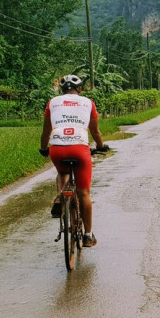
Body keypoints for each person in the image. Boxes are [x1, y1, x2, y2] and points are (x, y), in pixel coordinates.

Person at [39, 75, 107, 247]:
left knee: (62, 172)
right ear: (80, 89)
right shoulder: (88, 103)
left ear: (62, 90)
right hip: (80, 148)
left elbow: (46, 131)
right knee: (84, 193)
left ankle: (60, 197)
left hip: (57, 148)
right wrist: (100, 146)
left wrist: (43, 148)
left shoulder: (52, 102)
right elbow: (95, 131)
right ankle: (88, 236)